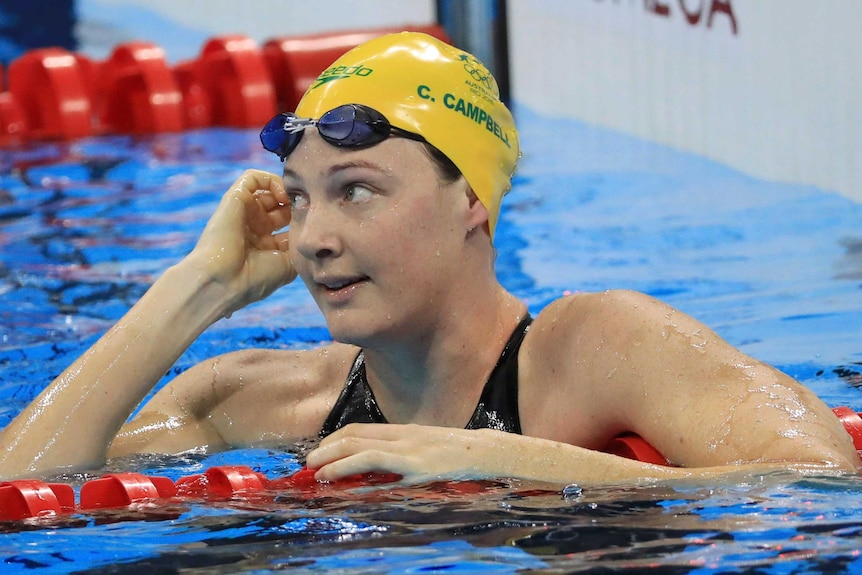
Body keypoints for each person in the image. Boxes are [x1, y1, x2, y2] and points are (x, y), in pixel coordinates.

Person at [0, 32, 857, 484]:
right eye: (298, 197)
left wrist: (505, 460)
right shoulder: (264, 396)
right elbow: (18, 496)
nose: (314, 236)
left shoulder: (596, 346)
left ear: (472, 201)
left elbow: (818, 482)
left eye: (357, 190)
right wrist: (198, 288)